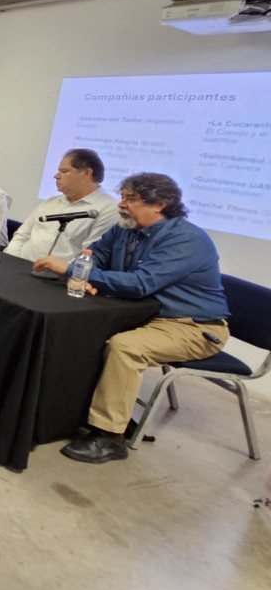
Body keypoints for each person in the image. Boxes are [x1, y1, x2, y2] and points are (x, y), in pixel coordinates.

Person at [34, 173, 229, 464]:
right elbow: (94, 256)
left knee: (125, 348)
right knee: (81, 330)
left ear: (160, 204)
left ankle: (110, 435)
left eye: (131, 199)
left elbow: (141, 283)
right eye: (122, 197)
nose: (121, 204)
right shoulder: (125, 228)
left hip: (191, 325)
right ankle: (78, 410)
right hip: (141, 313)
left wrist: (73, 271)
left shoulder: (186, 239)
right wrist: (83, 275)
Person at [4, 149, 118, 261]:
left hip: (57, 272)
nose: (56, 176)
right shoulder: (51, 201)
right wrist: (13, 260)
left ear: (87, 173)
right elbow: (22, 235)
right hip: (18, 263)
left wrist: (61, 270)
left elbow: (88, 256)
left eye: (64, 171)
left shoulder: (108, 209)